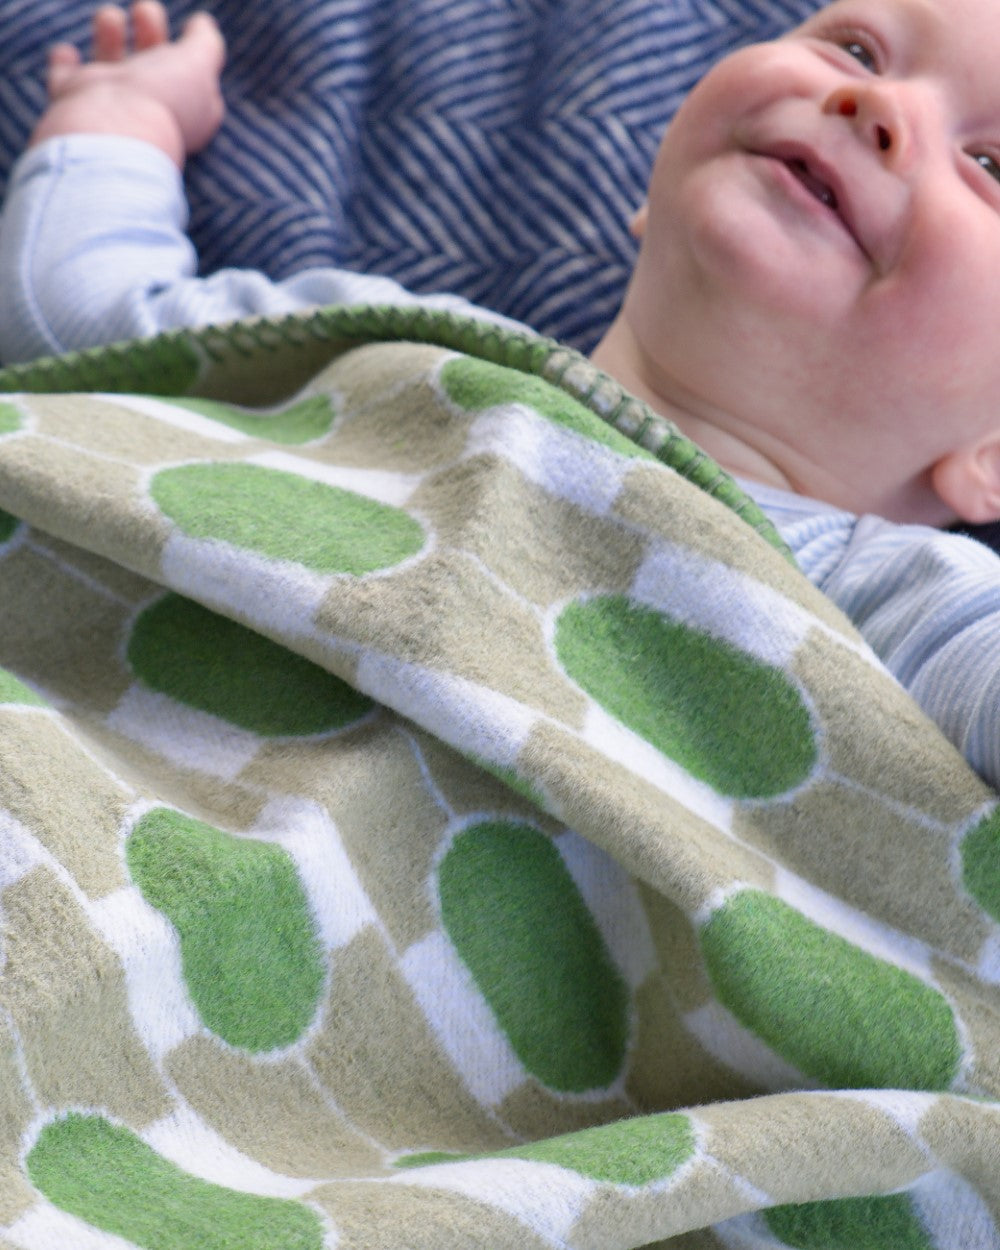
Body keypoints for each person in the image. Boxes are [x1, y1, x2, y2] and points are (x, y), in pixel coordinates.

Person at [2, 0, 1000, 790]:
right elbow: (75, 327)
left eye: (990, 161)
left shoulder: (904, 610)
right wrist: (117, 122)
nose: (878, 104)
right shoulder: (402, 344)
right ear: (645, 196)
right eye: (856, 48)